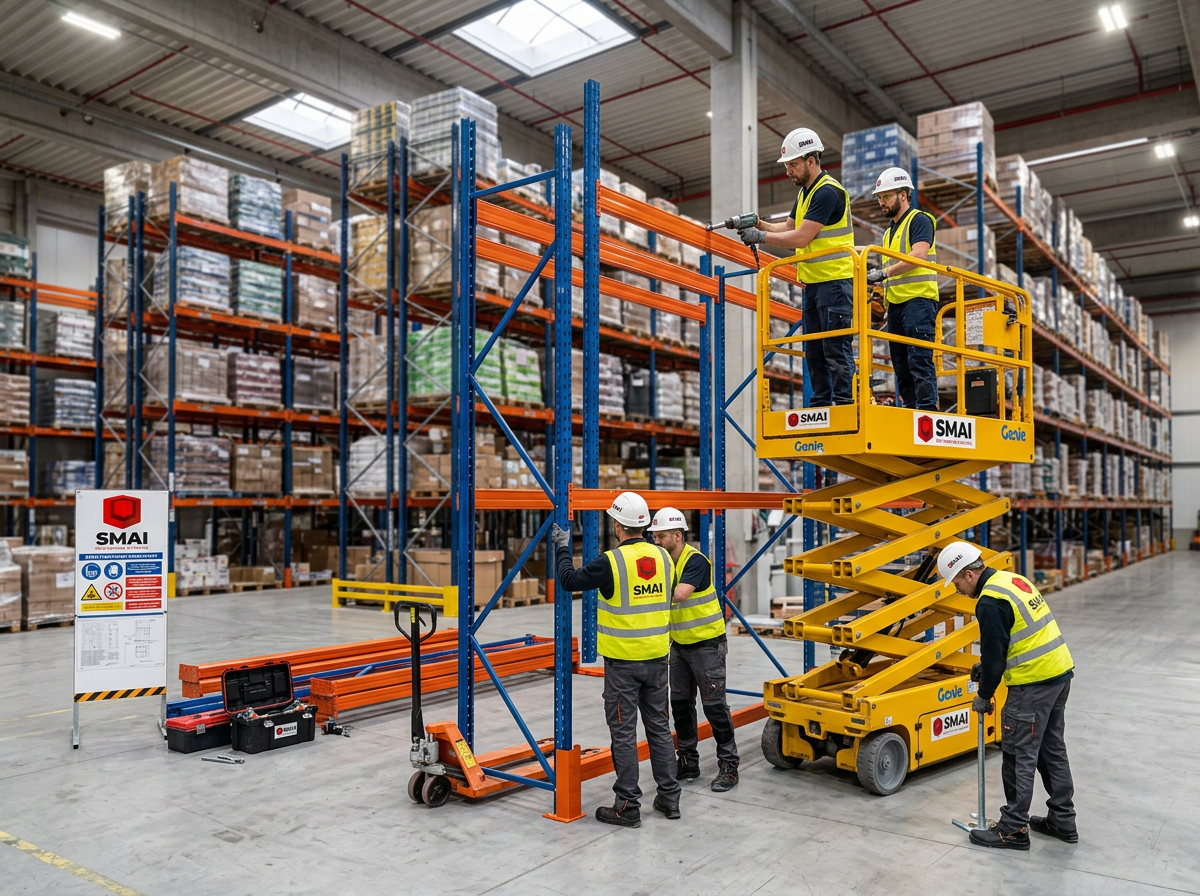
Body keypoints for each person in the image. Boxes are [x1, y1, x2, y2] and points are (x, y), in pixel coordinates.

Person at [551, 491, 680, 828]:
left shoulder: (610, 561)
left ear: (617, 525)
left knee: (623, 733)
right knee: (659, 729)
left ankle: (627, 805)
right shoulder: (665, 558)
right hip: (657, 659)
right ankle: (669, 797)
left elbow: (568, 581)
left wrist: (562, 547)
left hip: (623, 664)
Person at [938, 541, 1078, 851]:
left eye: (957, 582)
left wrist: (984, 694)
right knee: (1050, 750)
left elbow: (997, 656)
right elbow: (1014, 637)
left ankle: (1013, 830)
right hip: (1058, 674)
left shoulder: (989, 601)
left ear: (969, 574)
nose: (958, 589)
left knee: (1017, 755)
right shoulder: (1012, 580)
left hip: (1032, 685)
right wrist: (985, 664)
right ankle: (1062, 819)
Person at [738, 128, 856, 407]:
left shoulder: (828, 192)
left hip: (835, 283)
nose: (788, 171)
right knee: (814, 351)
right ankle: (821, 404)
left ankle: (843, 404)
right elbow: (790, 227)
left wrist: (762, 238)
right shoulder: (806, 192)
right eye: (787, 165)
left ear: (811, 161)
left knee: (834, 348)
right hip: (814, 284)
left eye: (793, 164)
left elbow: (801, 238)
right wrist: (760, 224)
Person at [647, 507, 739, 793]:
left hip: (707, 645)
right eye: (654, 537)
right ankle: (688, 760)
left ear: (678, 534)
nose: (657, 542)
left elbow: (679, 594)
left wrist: (644, 595)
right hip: (679, 646)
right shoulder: (663, 562)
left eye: (661, 536)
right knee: (681, 706)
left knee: (714, 707)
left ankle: (728, 765)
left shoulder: (696, 561)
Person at [867, 167, 940, 411]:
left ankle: (927, 409)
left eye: (886, 196)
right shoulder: (888, 232)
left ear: (903, 194)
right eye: (879, 197)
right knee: (900, 363)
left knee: (919, 359)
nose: (881, 202)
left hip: (919, 301)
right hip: (896, 305)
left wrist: (884, 273)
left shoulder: (919, 220)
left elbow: (918, 254)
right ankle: (911, 408)